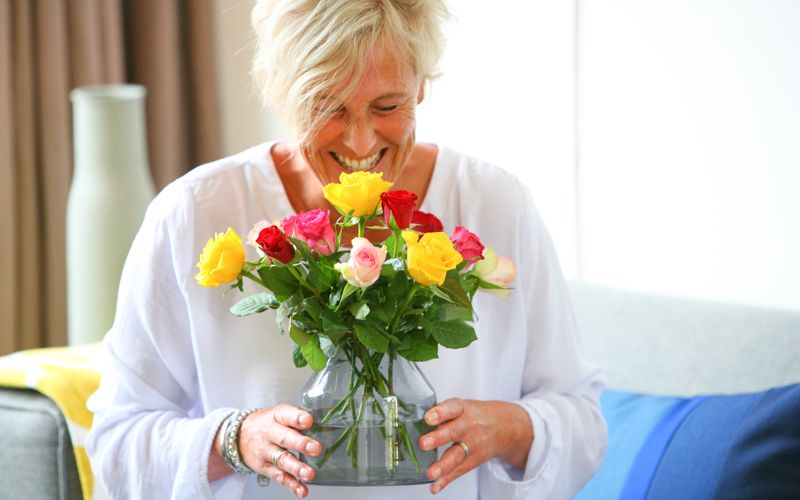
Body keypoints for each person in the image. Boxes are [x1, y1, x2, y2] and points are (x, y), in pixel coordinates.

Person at [86, 0, 607, 498]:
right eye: (326, 107)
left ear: (421, 86)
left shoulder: (496, 203)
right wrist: (233, 440)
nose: (360, 144)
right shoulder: (191, 214)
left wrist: (509, 428)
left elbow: (581, 418)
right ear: (281, 93)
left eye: (388, 105)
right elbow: (115, 442)